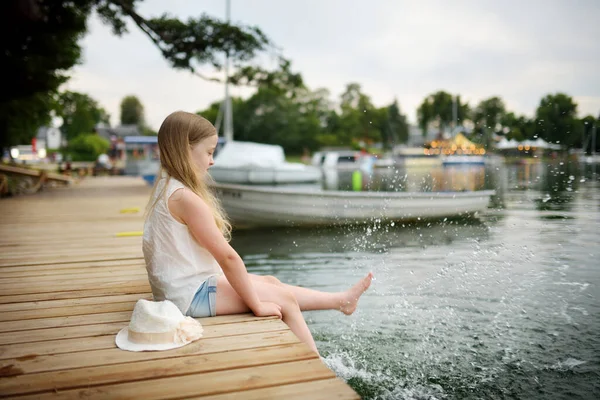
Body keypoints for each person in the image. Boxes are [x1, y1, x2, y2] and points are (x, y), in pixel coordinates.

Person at [143, 111, 373, 355]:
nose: (212, 161)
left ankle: (340, 301)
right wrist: (257, 305)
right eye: (209, 152)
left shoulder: (166, 187)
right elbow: (228, 258)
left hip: (180, 288)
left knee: (272, 283)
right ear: (185, 150)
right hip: (189, 296)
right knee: (284, 301)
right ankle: (316, 365)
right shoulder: (185, 198)